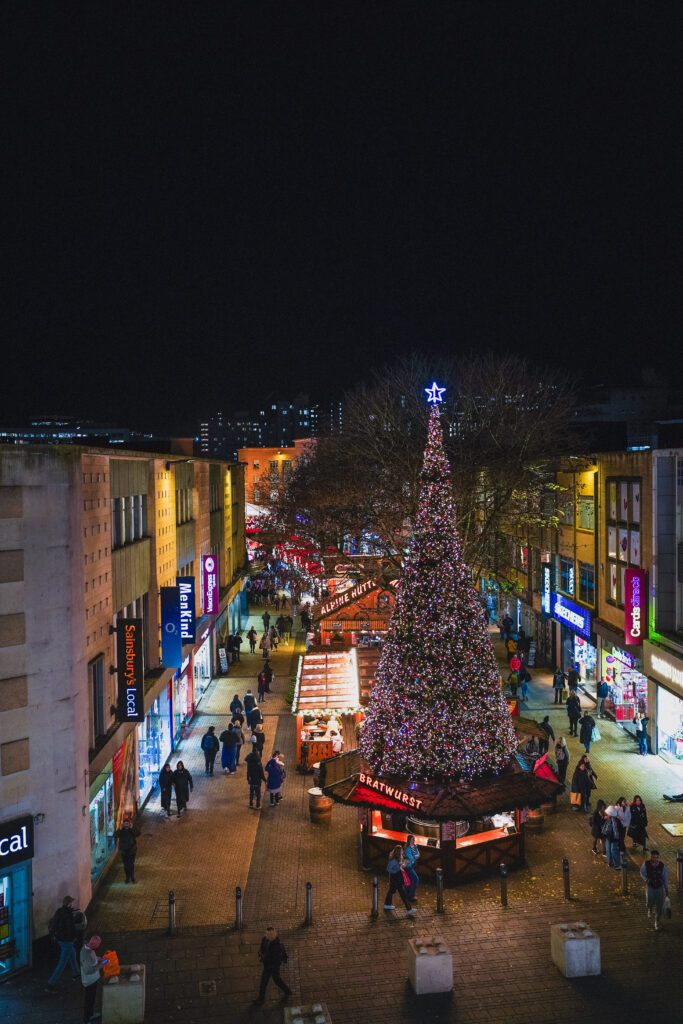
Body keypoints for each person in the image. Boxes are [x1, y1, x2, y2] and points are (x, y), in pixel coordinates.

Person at [45, 895, 79, 992]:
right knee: (62, 963)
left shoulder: (59, 911)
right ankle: (51, 984)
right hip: (67, 941)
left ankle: (76, 973)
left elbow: (54, 923)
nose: (72, 904)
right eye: (71, 902)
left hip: (60, 940)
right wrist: (74, 937)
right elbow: (70, 929)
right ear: (69, 904)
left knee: (73, 954)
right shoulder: (68, 914)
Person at [253, 926, 291, 1004]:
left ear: (271, 935)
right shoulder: (265, 940)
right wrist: (261, 954)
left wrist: (265, 959)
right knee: (271, 981)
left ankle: (261, 998)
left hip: (272, 967)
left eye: (267, 933)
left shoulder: (276, 945)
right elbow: (262, 948)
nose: (265, 934)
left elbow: (275, 959)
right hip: (267, 965)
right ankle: (287, 991)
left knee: (273, 980)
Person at [640, 850, 669, 930]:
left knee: (659, 905)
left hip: (659, 887)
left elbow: (665, 877)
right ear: (651, 857)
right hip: (650, 887)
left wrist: (666, 888)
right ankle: (649, 909)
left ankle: (657, 921)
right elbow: (641, 872)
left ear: (658, 857)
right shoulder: (646, 864)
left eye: (657, 858)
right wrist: (646, 880)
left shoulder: (662, 866)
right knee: (649, 901)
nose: (655, 859)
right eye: (653, 857)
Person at [383, 845, 416, 916]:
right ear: (398, 852)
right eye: (401, 850)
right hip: (396, 878)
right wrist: (396, 870)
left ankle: (387, 904)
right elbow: (388, 869)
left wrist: (405, 864)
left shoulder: (400, 858)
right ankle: (409, 909)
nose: (402, 851)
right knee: (403, 894)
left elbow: (404, 862)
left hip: (397, 878)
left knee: (391, 891)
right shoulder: (394, 861)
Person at [80, 934, 104, 1023]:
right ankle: (86, 1019)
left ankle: (91, 1014)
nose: (99, 946)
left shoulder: (88, 948)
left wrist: (100, 959)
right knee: (89, 1000)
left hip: (93, 979)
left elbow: (93, 958)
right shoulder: (86, 954)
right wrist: (100, 965)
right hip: (90, 981)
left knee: (92, 998)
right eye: (98, 945)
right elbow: (88, 970)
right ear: (94, 945)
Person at [114, 812, 140, 884]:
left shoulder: (131, 830)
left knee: (131, 864)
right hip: (124, 851)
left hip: (131, 851)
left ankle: (132, 877)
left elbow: (138, 833)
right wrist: (119, 829)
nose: (126, 825)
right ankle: (127, 877)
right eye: (125, 824)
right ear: (123, 824)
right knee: (126, 865)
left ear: (129, 824)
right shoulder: (121, 831)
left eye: (127, 824)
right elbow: (115, 835)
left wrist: (132, 828)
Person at [246, 744, 267, 808]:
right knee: (258, 794)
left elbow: (248, 772)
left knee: (251, 793)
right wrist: (265, 780)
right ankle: (257, 805)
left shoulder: (250, 765)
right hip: (258, 782)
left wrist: (248, 779)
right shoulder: (259, 765)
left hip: (252, 781)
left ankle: (251, 804)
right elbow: (261, 774)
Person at [404, 835, 420, 902]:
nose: (414, 841)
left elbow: (418, 854)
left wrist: (415, 856)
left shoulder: (413, 847)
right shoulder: (408, 848)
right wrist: (415, 857)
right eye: (412, 840)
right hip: (408, 867)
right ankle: (411, 896)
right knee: (415, 879)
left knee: (410, 881)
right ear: (409, 840)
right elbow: (411, 858)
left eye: (414, 839)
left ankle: (409, 895)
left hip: (410, 866)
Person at [615, 796, 631, 864]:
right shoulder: (617, 808)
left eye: (625, 801)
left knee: (622, 837)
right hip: (619, 825)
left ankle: (621, 846)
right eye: (624, 801)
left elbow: (629, 815)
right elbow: (614, 815)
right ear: (620, 802)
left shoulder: (627, 808)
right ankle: (621, 849)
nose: (625, 802)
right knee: (621, 837)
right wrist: (618, 818)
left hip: (624, 825)